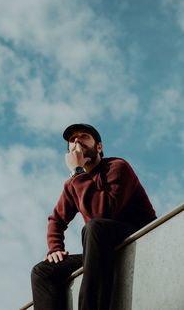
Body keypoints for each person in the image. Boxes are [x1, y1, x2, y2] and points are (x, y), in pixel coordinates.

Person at [31, 123, 156, 310]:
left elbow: (103, 212)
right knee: (43, 271)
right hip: (99, 250)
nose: (77, 142)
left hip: (137, 237)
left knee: (95, 227)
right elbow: (56, 220)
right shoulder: (73, 183)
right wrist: (55, 248)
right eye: (72, 140)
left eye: (84, 136)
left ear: (99, 147)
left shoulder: (117, 167)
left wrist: (78, 173)